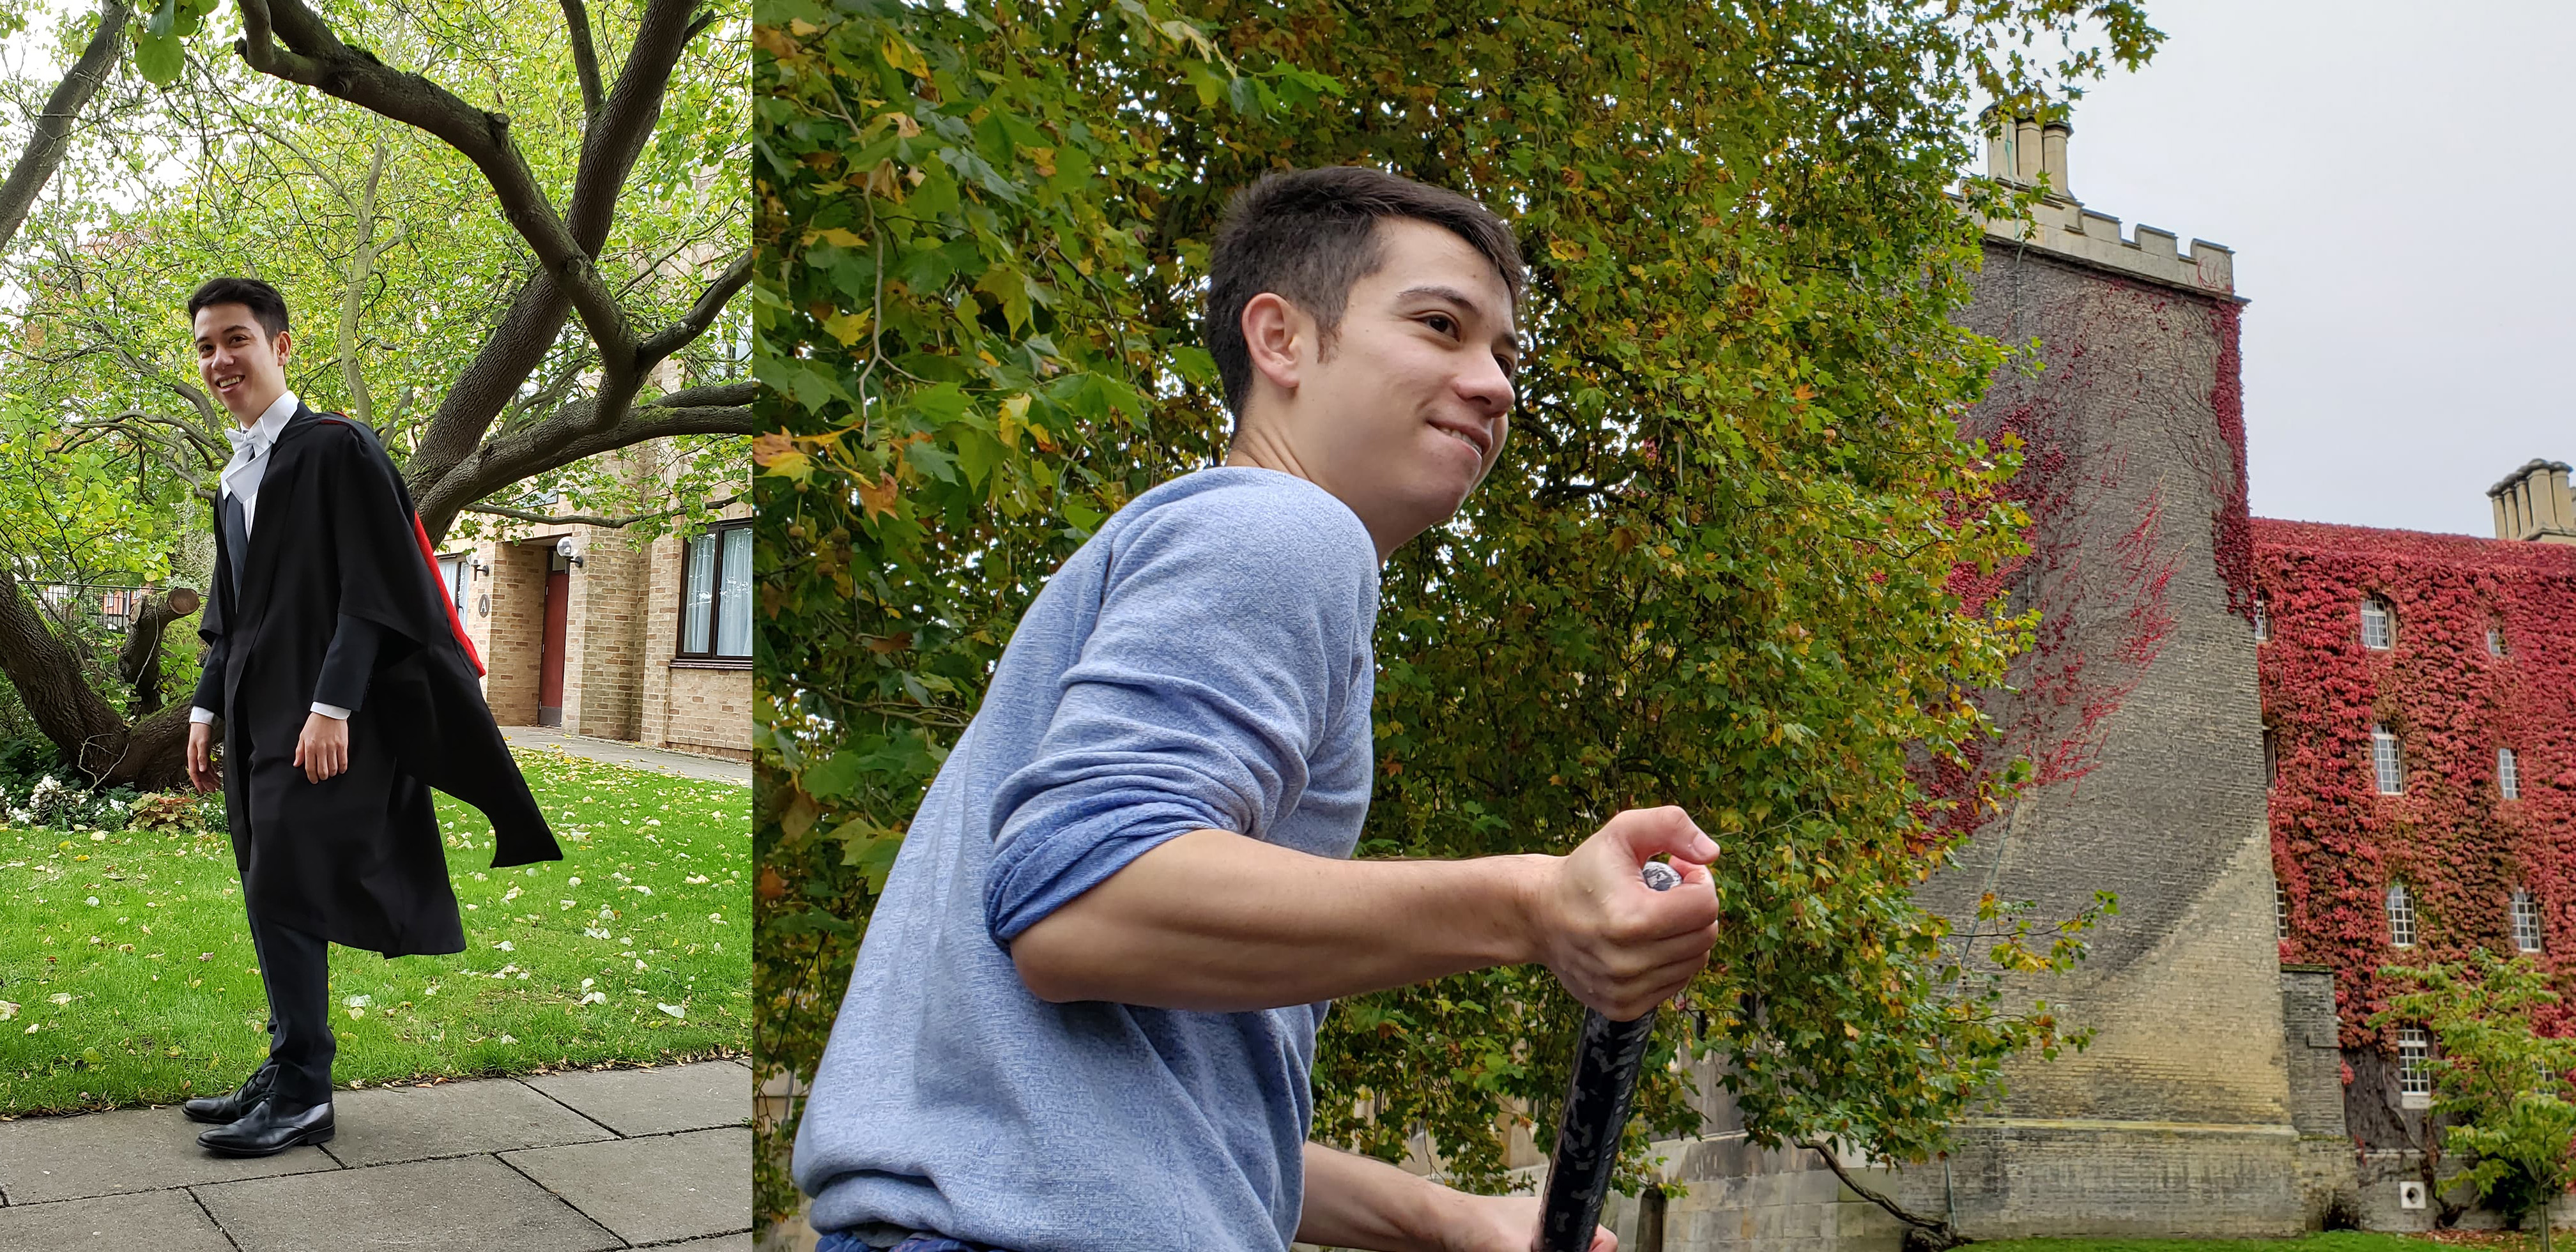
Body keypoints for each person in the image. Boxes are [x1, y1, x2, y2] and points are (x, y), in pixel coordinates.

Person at [793, 167, 1726, 1252]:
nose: (1494, 387)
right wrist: (1533, 906)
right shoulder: (1282, 531)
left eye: (1507, 358)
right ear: (1280, 340)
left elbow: (1167, 1128)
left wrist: (1457, 1218)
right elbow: (1076, 912)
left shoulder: (1191, 559)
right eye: (1441, 326)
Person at [178, 276, 558, 1156]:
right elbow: (232, 614)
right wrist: (204, 707)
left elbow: (377, 590)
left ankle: (305, 1091)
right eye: (205, 347)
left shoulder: (336, 449)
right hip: (256, 715)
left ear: (281, 345)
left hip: (321, 717)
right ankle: (289, 1061)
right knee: (268, 882)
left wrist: (332, 705)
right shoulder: (239, 475)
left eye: (236, 339)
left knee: (284, 883)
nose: (220, 359)